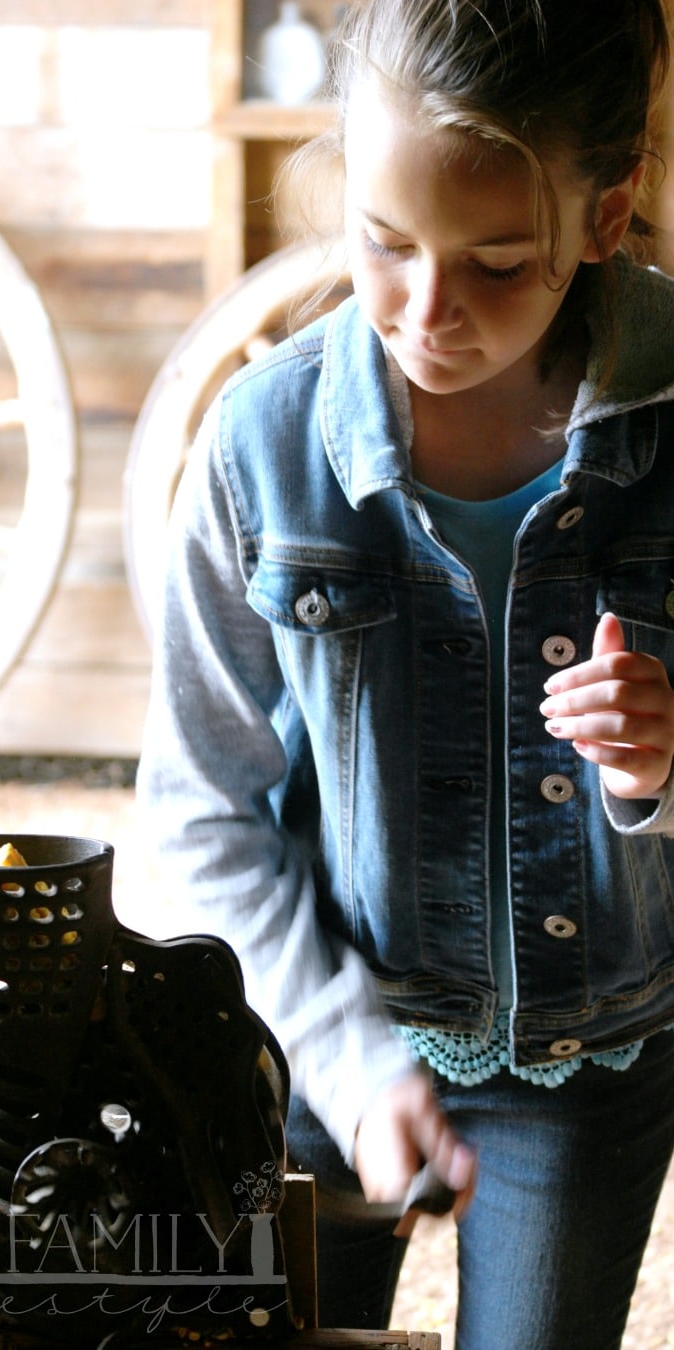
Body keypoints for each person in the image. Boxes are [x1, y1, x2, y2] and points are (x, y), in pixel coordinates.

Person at [136, 2, 674, 1345]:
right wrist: (347, 1052)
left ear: (606, 218)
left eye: (499, 263)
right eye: (383, 245)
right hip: (313, 1040)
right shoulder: (262, 446)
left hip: (586, 1060)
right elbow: (200, 811)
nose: (428, 314)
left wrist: (664, 770)